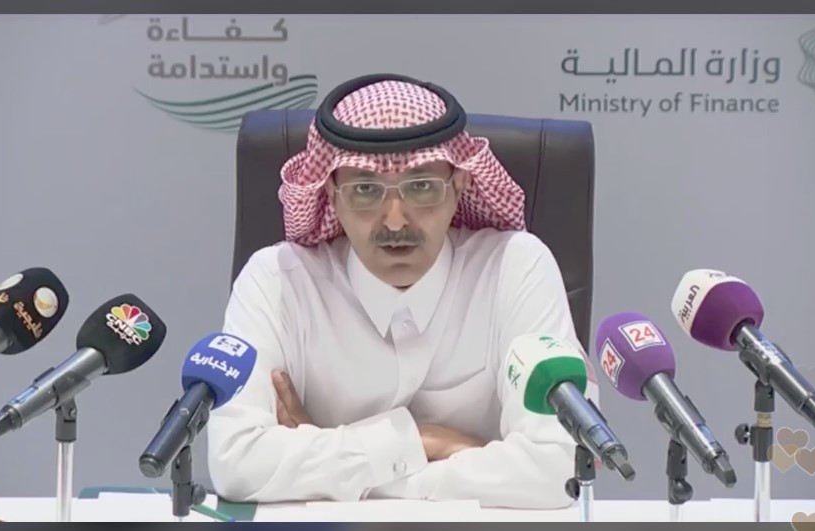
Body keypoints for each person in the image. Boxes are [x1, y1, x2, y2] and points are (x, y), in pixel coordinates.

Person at [206, 73, 599, 509]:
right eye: (365, 190)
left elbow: (563, 469)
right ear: (331, 193)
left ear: (460, 183)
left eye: (422, 187)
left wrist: (332, 464)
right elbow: (235, 463)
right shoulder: (278, 280)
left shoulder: (515, 268)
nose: (395, 221)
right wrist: (423, 441)